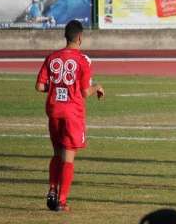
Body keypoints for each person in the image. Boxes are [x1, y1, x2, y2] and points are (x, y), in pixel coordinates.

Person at [35, 20, 104, 212]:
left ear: (66, 36)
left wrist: (57, 88)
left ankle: (51, 189)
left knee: (57, 153)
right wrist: (97, 87)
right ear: (80, 37)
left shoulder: (52, 57)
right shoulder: (82, 60)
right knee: (68, 158)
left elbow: (40, 86)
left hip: (54, 110)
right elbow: (83, 92)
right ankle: (61, 201)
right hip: (72, 113)